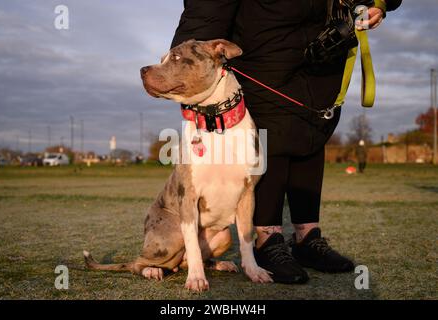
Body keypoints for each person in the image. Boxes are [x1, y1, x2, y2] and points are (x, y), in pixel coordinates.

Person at [171, 0, 402, 284]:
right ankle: (268, 240)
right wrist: (181, 65)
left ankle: (308, 238)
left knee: (314, 128)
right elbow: (206, 8)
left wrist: (379, 2)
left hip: (325, 39)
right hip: (262, 42)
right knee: (273, 131)